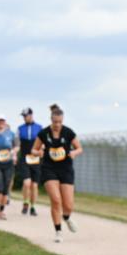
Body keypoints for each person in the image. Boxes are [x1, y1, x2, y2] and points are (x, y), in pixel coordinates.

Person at [32, 103, 82, 243]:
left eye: (60, 122)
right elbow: (33, 150)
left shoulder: (68, 132)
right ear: (51, 120)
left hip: (65, 168)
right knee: (55, 200)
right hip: (49, 168)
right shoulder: (43, 133)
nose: (57, 124)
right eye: (55, 122)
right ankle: (58, 231)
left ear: (63, 120)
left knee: (69, 205)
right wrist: (39, 152)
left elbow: (79, 148)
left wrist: (73, 152)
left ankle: (66, 217)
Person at [17, 107, 43, 216]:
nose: (24, 118)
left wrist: (42, 150)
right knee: (26, 183)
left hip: (36, 159)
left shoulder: (39, 128)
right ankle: (25, 203)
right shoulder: (20, 128)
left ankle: (33, 207)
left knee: (34, 185)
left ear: (31, 115)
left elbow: (43, 142)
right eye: (23, 116)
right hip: (24, 158)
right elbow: (17, 144)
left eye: (26, 116)